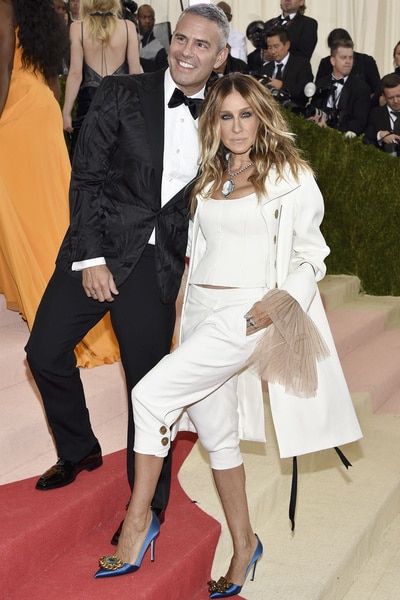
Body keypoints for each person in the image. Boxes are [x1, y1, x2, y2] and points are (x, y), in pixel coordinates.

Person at [93, 72, 362, 597]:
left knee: (149, 396)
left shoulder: (291, 175)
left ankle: (137, 521)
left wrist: (280, 302)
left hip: (247, 314)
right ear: (212, 121)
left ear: (262, 115)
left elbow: (312, 256)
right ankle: (245, 545)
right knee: (216, 436)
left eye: (246, 114)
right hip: (199, 311)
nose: (237, 127)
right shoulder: (210, 175)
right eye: (225, 116)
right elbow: (195, 255)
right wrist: (179, 317)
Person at [25, 2, 229, 539]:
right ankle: (79, 448)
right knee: (43, 353)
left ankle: (149, 505)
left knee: (148, 388)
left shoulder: (224, 118)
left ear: (221, 56)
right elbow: (85, 177)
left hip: (156, 267)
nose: (187, 50)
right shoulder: (122, 93)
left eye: (201, 44)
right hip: (98, 248)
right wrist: (91, 258)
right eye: (182, 39)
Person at [0, 0, 118, 368]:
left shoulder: (4, 7)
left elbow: (3, 65)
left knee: (24, 213)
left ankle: (55, 312)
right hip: (42, 110)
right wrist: (55, 120)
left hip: (13, 110)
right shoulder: (43, 14)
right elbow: (52, 76)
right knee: (50, 210)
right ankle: (74, 304)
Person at [63, 0, 141, 159]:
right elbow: (135, 73)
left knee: (85, 161)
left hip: (89, 101)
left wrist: (66, 112)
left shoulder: (77, 28)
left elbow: (75, 74)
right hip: (121, 102)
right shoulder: (128, 27)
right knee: (118, 163)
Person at [308, 39, 370, 136]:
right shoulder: (321, 83)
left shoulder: (361, 87)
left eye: (350, 58)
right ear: (333, 61)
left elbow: (359, 122)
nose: (348, 62)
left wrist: (332, 132)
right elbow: (315, 109)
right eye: (343, 58)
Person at [315, 28, 381, 104]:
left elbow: (377, 91)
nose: (347, 61)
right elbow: (319, 91)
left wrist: (362, 101)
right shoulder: (325, 62)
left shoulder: (366, 61)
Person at [258, 25, 313, 109]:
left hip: (295, 114)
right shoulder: (266, 68)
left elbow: (305, 92)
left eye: (276, 47)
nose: (272, 51)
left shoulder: (301, 64)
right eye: (269, 47)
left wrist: (282, 86)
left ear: (287, 45)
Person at [363, 73, 400, 155]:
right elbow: (366, 141)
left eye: (399, 96)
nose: (396, 101)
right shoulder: (375, 114)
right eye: (391, 98)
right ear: (384, 96)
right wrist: (380, 136)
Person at [137, 3, 168, 73]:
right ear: (137, 18)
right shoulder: (130, 41)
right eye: (144, 17)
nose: (147, 21)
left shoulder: (159, 51)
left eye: (150, 18)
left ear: (154, 20)